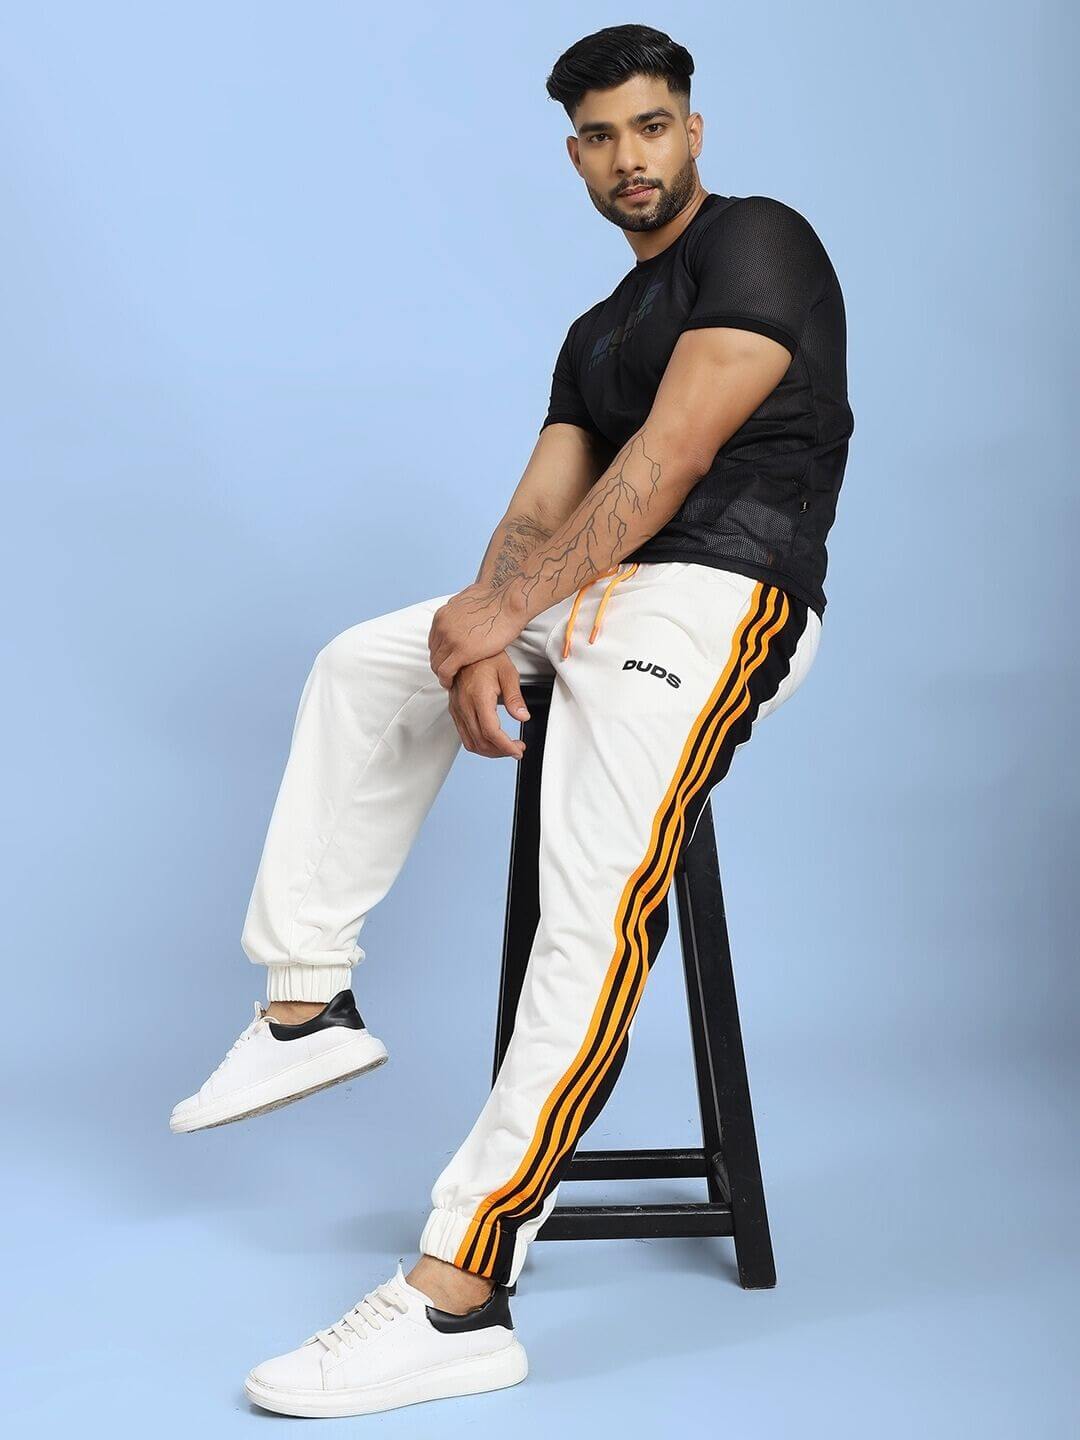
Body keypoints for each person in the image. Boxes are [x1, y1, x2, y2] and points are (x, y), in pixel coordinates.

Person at [170, 22, 854, 1420]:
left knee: (589, 910)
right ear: (575, 157)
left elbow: (668, 460)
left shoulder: (761, 244)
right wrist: (479, 628)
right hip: (594, 592)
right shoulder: (596, 331)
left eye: (651, 127)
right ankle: (307, 1000)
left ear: (694, 132)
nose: (629, 160)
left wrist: (505, 614)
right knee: (373, 659)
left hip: (718, 601)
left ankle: (462, 1292)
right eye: (601, 139)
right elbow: (542, 508)